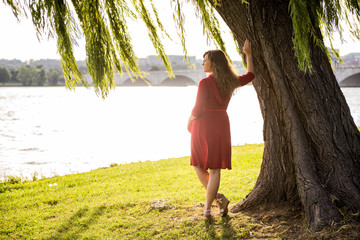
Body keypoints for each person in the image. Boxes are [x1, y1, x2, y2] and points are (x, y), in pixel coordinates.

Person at [187, 39, 255, 219]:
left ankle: (210, 207)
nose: (202, 62)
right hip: (221, 124)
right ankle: (214, 203)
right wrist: (248, 54)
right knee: (212, 168)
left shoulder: (205, 83)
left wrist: (189, 121)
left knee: (198, 164)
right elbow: (250, 75)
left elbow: (197, 108)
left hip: (203, 124)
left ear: (214, 63)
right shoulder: (230, 81)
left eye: (205, 59)